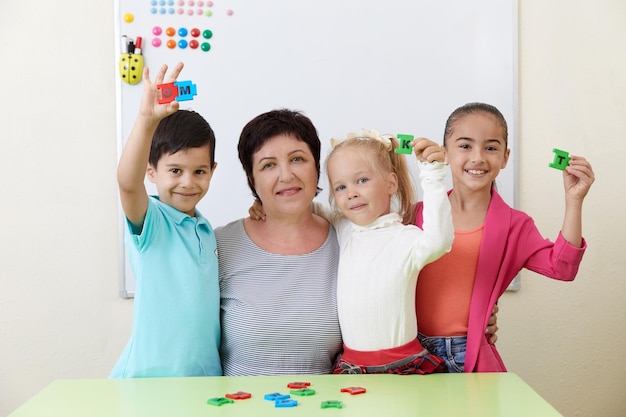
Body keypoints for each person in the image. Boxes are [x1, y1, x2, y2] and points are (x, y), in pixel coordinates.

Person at [413, 102, 595, 372]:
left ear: (505, 157)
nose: (478, 157)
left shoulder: (515, 226)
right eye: (465, 145)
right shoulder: (416, 214)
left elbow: (562, 267)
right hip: (410, 352)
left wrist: (574, 201)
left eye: (491, 147)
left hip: (469, 354)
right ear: (445, 152)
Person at [110, 62, 222, 377]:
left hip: (202, 380)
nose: (188, 182)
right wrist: (146, 121)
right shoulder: (152, 221)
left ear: (212, 171)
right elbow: (127, 183)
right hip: (150, 380)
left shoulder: (206, 229)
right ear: (151, 171)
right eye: (175, 170)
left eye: (199, 171)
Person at [216, 109, 343, 376]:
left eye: (297, 159)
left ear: (317, 168)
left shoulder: (347, 243)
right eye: (268, 165)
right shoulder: (220, 245)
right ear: (252, 179)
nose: (286, 176)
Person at [322, 130, 454, 374]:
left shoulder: (406, 238)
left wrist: (433, 175)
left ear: (391, 183)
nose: (351, 193)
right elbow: (303, 210)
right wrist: (264, 206)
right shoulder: (343, 228)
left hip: (403, 366)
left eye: (362, 180)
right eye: (340, 187)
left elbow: (440, 240)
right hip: (352, 368)